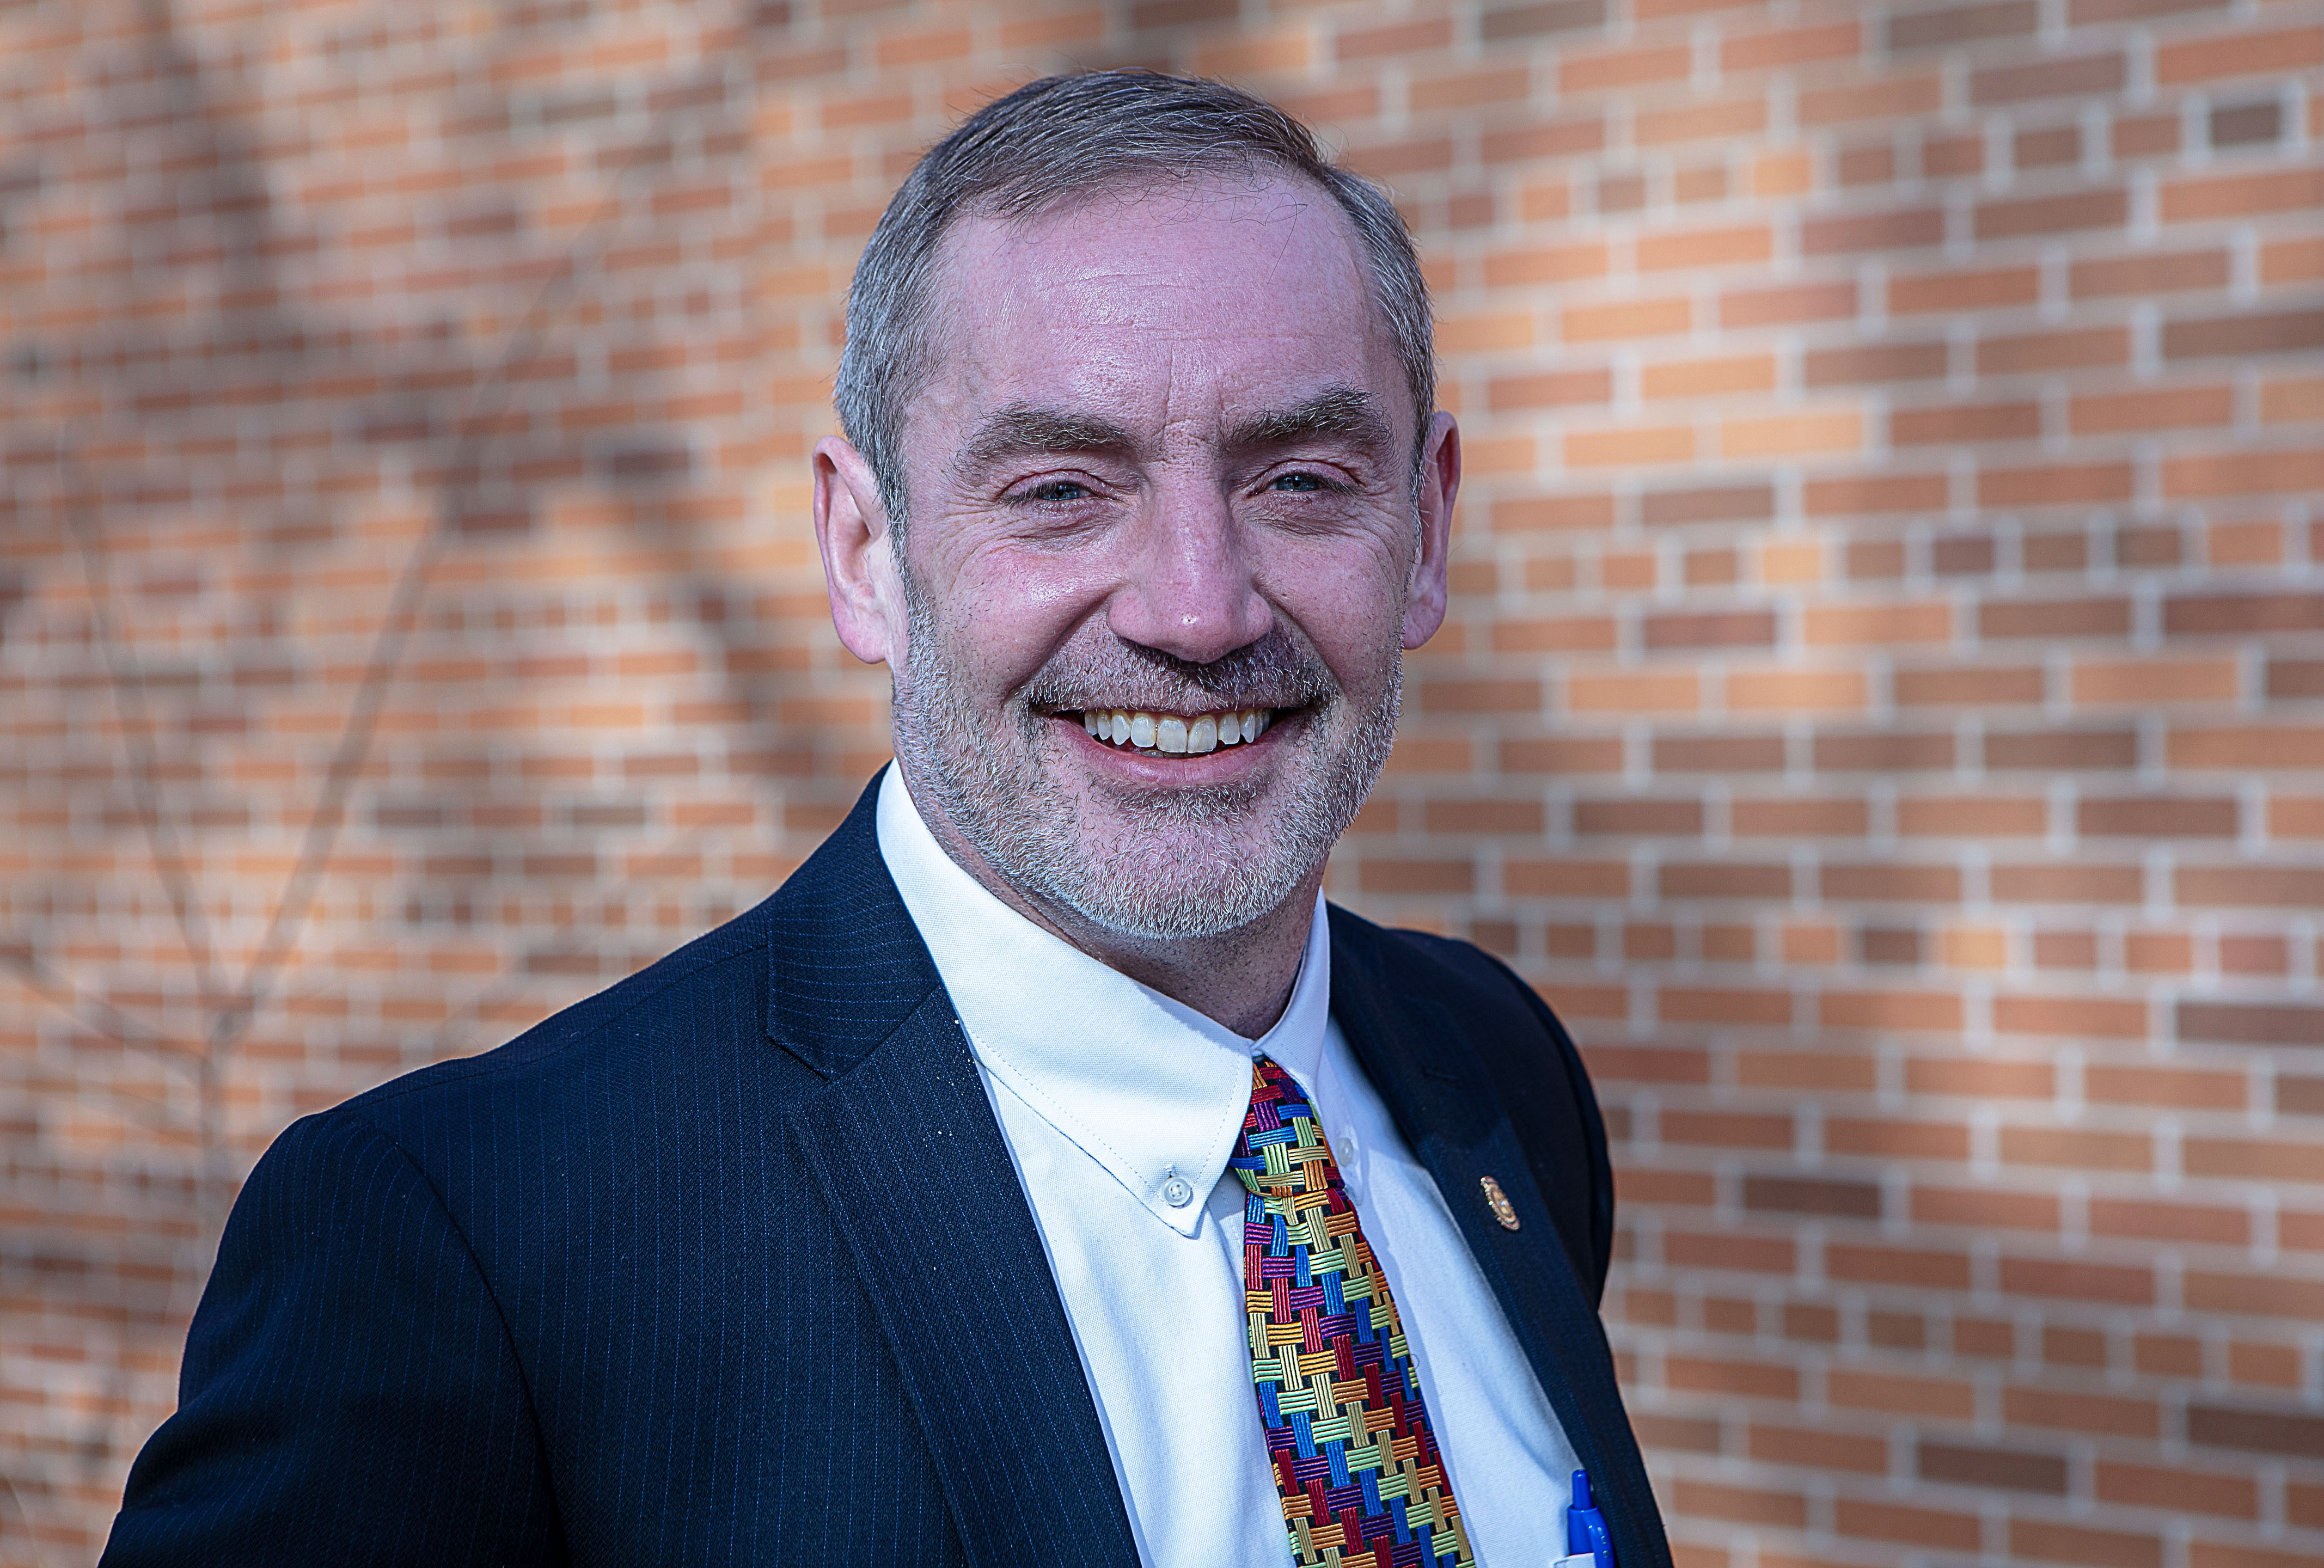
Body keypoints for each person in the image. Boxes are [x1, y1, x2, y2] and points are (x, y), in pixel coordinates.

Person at [102, 71, 1670, 1568]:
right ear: (864, 553)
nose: (1198, 608)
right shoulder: (476, 1250)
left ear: (1428, 530)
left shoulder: (1498, 1075)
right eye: (1062, 487)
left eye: (1303, 480)